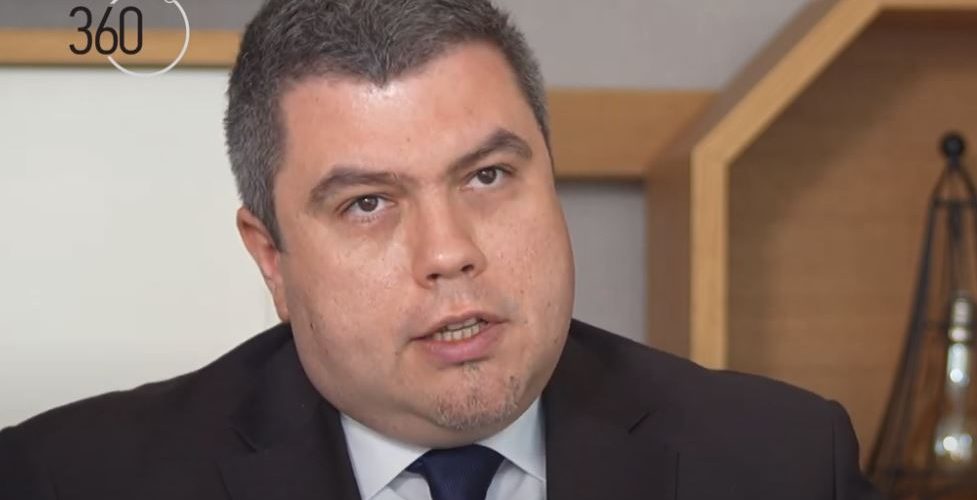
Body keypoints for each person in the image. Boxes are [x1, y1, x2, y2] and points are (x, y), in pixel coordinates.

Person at [0, 0, 883, 498]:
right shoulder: (65, 480)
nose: (449, 252)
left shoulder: (785, 463)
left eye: (488, 177)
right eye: (368, 204)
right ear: (271, 258)